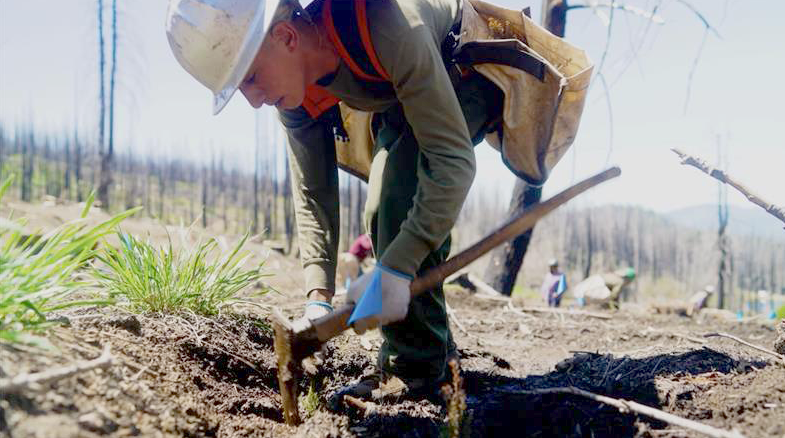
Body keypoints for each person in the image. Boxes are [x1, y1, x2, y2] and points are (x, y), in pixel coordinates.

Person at [166, 0, 590, 401]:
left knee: (397, 203)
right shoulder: (294, 92)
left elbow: (453, 163)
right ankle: (431, 351)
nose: (254, 100)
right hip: (398, 91)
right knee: (382, 212)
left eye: (252, 78)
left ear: (287, 37)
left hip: (462, 67)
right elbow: (313, 193)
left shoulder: (389, 23)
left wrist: (395, 269)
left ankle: (415, 372)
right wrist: (318, 295)